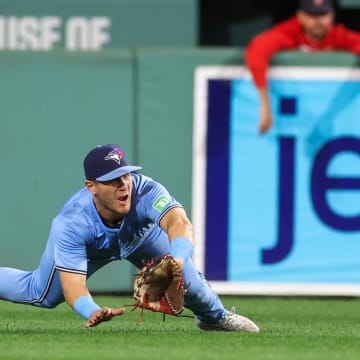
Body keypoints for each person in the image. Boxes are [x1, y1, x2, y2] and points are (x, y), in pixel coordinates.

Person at [0, 144, 259, 332]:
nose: (123, 184)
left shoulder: (145, 189)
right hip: (92, 249)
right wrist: (92, 310)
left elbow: (178, 223)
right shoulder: (71, 223)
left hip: (142, 238)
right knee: (41, 293)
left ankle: (215, 318)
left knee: (193, 286)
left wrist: (176, 262)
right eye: (112, 180)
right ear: (91, 187)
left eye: (125, 174)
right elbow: (73, 285)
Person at [245, 0, 360, 134]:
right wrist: (265, 105)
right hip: (291, 115)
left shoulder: (338, 36)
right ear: (300, 16)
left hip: (334, 119)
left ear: (331, 16)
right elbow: (257, 50)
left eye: (323, 15)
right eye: (312, 15)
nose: (318, 21)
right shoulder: (289, 33)